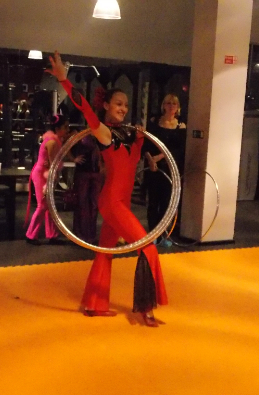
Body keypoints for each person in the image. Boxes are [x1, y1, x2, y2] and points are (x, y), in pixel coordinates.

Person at [47, 51, 167, 327]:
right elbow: (83, 107)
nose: (123, 108)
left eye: (125, 104)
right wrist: (64, 80)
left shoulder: (130, 133)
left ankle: (94, 303)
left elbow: (136, 160)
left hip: (121, 201)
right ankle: (146, 308)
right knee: (147, 247)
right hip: (113, 202)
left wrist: (141, 139)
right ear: (107, 105)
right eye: (118, 104)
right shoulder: (104, 133)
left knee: (105, 251)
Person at [143, 93, 187, 247]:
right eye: (168, 103)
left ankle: (163, 234)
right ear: (163, 105)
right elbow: (146, 144)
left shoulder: (181, 126)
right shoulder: (154, 122)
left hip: (170, 168)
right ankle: (152, 234)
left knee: (167, 202)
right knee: (153, 202)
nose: (171, 106)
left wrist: (160, 157)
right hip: (153, 167)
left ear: (178, 107)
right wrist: (151, 159)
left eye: (174, 104)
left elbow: (179, 149)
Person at [24, 114, 70, 245]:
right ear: (57, 129)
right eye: (65, 127)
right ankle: (31, 235)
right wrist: (54, 174)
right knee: (43, 205)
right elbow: (52, 163)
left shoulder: (55, 140)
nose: (67, 130)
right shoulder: (52, 142)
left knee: (49, 205)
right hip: (42, 174)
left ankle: (52, 235)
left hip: (45, 173)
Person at [71, 134, 103, 245]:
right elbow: (65, 146)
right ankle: (82, 235)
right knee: (83, 204)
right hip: (84, 173)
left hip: (94, 174)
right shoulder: (81, 136)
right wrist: (73, 159)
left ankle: (89, 235)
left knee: (93, 205)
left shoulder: (98, 136)